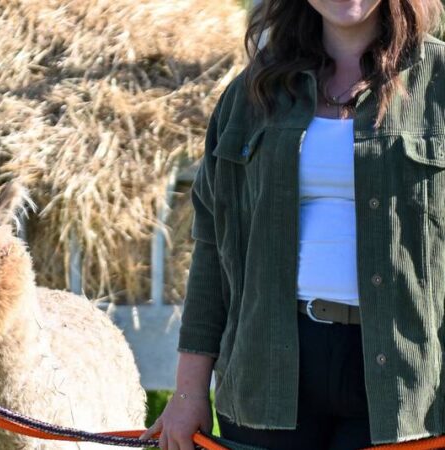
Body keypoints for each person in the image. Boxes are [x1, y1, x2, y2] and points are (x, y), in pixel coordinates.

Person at [140, 1, 445, 449]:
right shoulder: (252, 94)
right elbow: (212, 249)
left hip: (406, 384)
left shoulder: (438, 83)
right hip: (267, 378)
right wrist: (187, 394)